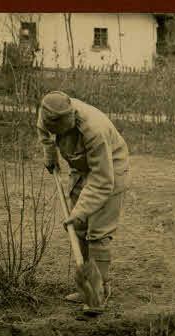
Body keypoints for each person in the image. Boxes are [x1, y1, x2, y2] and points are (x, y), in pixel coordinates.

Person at [37, 90, 130, 314]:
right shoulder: (47, 111)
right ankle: (86, 285)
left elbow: (102, 180)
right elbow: (44, 132)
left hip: (109, 171)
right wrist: (50, 155)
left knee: (97, 232)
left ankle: (99, 290)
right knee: (78, 228)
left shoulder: (93, 129)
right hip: (81, 167)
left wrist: (79, 211)